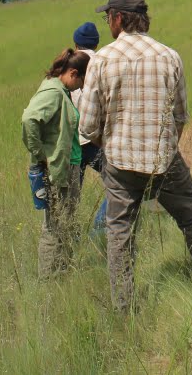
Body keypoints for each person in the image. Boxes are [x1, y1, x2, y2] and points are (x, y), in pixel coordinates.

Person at [78, 0, 192, 312]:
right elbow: (181, 116)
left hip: (120, 164)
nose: (108, 22)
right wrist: (164, 145)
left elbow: (87, 126)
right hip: (165, 159)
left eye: (108, 16)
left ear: (118, 18)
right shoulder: (170, 56)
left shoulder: (102, 60)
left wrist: (109, 145)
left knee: (120, 235)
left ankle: (125, 309)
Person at [21, 48, 91, 279]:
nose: (81, 87)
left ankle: (63, 275)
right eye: (81, 81)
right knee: (54, 226)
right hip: (56, 170)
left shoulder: (60, 90)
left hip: (65, 167)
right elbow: (30, 119)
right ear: (73, 73)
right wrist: (40, 154)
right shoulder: (53, 92)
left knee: (66, 224)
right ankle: (49, 281)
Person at [70, 21, 108, 232]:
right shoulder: (104, 62)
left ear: (76, 44)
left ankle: (70, 239)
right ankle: (99, 229)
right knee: (117, 184)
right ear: (96, 43)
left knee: (70, 199)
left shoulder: (70, 64)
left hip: (73, 143)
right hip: (96, 140)